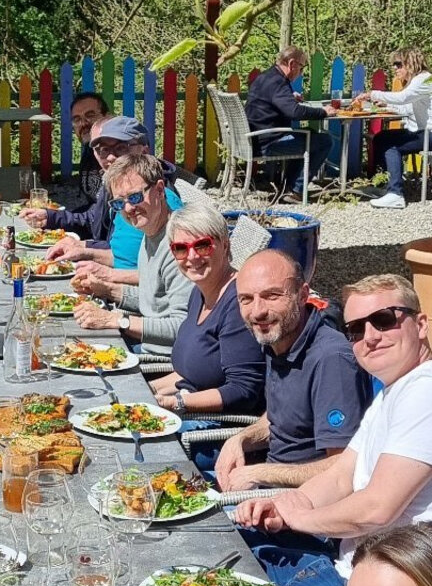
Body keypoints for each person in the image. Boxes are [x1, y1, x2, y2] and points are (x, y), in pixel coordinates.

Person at [234, 273, 432, 586]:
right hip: (358, 566)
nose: (369, 337)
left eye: (384, 320)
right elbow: (341, 476)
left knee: (225, 583)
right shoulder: (393, 391)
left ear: (421, 324)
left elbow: (376, 509)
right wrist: (285, 505)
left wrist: (299, 519)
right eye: (355, 329)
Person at [215, 248, 371, 491]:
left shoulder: (330, 359)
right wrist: (240, 439)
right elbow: (280, 418)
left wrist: (260, 473)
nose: (258, 311)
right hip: (267, 487)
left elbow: (343, 467)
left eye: (272, 296)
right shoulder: (278, 339)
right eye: (246, 299)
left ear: (302, 295)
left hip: (301, 502)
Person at [20, 116, 182, 270]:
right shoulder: (116, 186)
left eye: (121, 148)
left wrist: (87, 250)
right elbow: (94, 222)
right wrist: (51, 217)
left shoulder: (155, 198)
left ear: (144, 151)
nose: (110, 157)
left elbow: (137, 264)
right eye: (103, 150)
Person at [149, 203, 266, 417]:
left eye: (203, 246)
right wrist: (146, 389)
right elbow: (190, 375)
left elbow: (243, 390)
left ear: (225, 245)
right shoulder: (199, 292)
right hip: (186, 403)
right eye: (181, 248)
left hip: (216, 422)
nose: (192, 256)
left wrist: (174, 402)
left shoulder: (238, 303)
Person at [69, 153, 192, 356]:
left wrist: (116, 320)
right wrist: (107, 289)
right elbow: (154, 300)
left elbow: (183, 327)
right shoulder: (150, 231)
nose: (128, 208)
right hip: (144, 342)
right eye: (119, 203)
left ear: (160, 190)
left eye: (135, 197)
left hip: (163, 357)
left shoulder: (181, 245)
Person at [353, 47, 432, 210]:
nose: (395, 68)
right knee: (381, 138)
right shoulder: (420, 80)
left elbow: (403, 98)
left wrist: (372, 94)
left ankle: (395, 194)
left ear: (410, 63)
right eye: (394, 64)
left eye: (398, 64)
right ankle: (389, 185)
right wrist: (387, 106)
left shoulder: (423, 80)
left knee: (392, 146)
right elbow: (408, 108)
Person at [244, 45, 336, 201]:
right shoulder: (278, 82)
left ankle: (288, 186)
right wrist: (323, 112)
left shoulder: (265, 77)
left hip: (254, 139)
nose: (301, 72)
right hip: (268, 144)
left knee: (309, 135)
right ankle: (294, 190)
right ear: (292, 64)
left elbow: (269, 99)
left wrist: (289, 96)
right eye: (301, 67)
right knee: (324, 141)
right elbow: (294, 112)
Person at [69, 91, 110, 211]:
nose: (83, 123)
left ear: (107, 117)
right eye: (77, 119)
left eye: (90, 115)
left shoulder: (116, 154)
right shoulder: (89, 150)